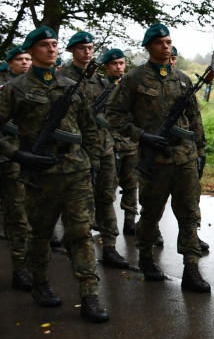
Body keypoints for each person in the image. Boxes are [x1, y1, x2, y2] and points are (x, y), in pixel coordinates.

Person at [0, 26, 108, 322]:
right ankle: (40, 281)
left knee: (82, 233)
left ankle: (90, 295)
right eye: (45, 45)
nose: (51, 49)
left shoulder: (70, 84)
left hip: (75, 169)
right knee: (41, 234)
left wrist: (93, 162)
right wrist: (17, 154)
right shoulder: (16, 88)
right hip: (41, 173)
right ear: (32, 50)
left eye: (54, 44)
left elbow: (88, 127)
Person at [106, 23, 210, 293]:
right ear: (148, 46)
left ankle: (191, 268)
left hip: (184, 158)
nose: (166, 46)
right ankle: (146, 257)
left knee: (189, 214)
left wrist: (200, 151)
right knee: (151, 213)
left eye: (168, 42)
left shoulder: (183, 79)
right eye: (160, 42)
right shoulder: (134, 79)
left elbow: (195, 119)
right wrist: (142, 136)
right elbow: (114, 115)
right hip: (154, 161)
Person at [60, 32, 129, 270]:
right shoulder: (62, 78)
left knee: (106, 196)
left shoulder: (101, 81)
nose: (87, 52)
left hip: (104, 146)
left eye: (89, 48)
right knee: (78, 201)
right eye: (81, 48)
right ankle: (77, 244)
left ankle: (109, 246)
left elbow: (114, 113)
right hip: (77, 149)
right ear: (71, 51)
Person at [0, 45, 33, 291]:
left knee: (18, 214)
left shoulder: (33, 88)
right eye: (20, 59)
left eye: (28, 58)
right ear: (9, 62)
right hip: (8, 151)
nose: (25, 63)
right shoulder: (7, 89)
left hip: (16, 159)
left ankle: (20, 268)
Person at [101, 49, 139, 236]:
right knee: (109, 187)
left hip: (130, 143)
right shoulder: (100, 86)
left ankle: (130, 221)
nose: (119, 67)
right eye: (115, 64)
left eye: (122, 63)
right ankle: (107, 225)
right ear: (107, 66)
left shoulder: (131, 86)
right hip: (109, 144)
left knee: (131, 185)